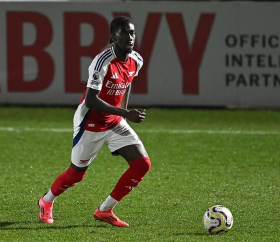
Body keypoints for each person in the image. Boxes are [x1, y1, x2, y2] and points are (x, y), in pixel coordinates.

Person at [38, 16, 151, 227]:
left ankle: (105, 210)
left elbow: (126, 84)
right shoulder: (102, 61)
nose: (130, 37)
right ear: (112, 36)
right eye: (124, 33)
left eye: (132, 33)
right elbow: (91, 100)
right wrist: (126, 114)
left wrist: (123, 113)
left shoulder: (137, 60)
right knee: (76, 175)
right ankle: (46, 201)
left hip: (114, 121)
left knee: (142, 164)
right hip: (90, 122)